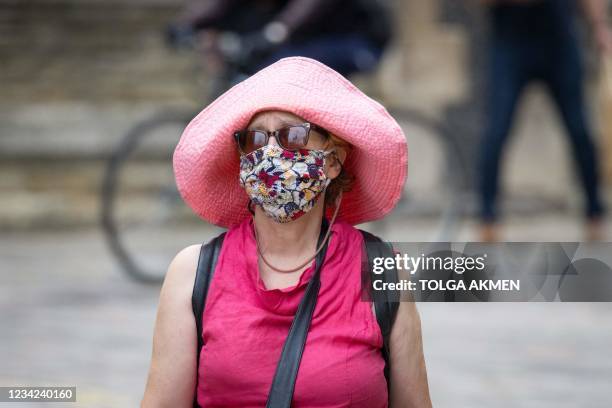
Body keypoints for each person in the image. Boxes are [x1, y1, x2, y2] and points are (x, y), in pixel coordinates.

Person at [141, 57, 432, 407]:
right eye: (255, 138)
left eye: (293, 136)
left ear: (333, 160)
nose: (271, 152)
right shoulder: (192, 274)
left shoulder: (384, 271)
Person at [477, 0, 612, 241]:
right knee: (496, 131)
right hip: (510, 41)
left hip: (558, 39)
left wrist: (599, 25)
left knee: (579, 130)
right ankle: (487, 217)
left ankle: (594, 212)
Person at [167, 0, 393, 77]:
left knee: (283, 67)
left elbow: (308, 7)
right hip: (309, 40)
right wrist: (187, 23)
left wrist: (277, 30)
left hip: (356, 42)